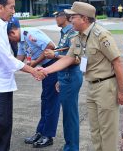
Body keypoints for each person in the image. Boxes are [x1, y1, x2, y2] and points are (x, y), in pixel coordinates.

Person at [38, 1, 123, 151]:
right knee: (95, 132)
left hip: (106, 86)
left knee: (107, 133)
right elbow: (68, 58)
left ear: (84, 18)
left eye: (73, 17)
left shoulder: (101, 35)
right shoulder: (79, 37)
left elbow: (117, 63)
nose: (70, 19)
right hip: (91, 86)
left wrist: (121, 91)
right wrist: (46, 71)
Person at [0, 0, 45, 151]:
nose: (13, 11)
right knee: (0, 122)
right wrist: (33, 71)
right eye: (11, 7)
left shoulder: (1, 24)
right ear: (0, 7)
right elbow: (7, 58)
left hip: (4, 81)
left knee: (7, 123)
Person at [7, 23, 60, 148]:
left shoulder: (30, 34)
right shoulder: (21, 41)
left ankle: (48, 135)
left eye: (10, 39)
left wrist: (35, 63)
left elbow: (50, 47)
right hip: (45, 67)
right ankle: (40, 132)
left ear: (12, 33)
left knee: (51, 102)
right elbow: (19, 60)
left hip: (53, 66)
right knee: (45, 100)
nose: (11, 42)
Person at [44, 11, 83, 151]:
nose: (55, 18)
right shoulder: (64, 33)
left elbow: (75, 60)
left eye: (57, 16)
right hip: (65, 76)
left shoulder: (72, 33)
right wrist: (60, 78)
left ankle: (72, 148)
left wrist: (54, 55)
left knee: (70, 117)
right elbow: (65, 55)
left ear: (64, 17)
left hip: (70, 76)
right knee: (67, 116)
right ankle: (70, 146)